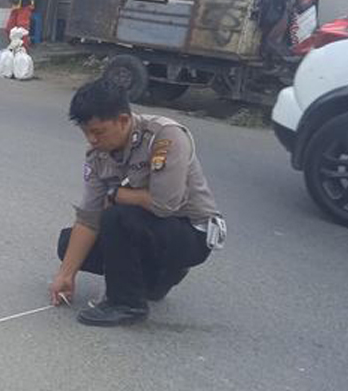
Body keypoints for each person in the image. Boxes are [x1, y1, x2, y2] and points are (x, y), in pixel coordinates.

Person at [50, 79, 226, 326]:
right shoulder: (97, 156)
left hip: (189, 233)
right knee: (68, 243)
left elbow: (165, 204)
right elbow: (89, 218)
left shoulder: (165, 137)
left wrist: (116, 195)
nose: (92, 140)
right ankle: (155, 278)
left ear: (123, 120)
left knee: (117, 217)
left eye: (98, 132)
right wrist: (65, 275)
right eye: (86, 132)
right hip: (148, 228)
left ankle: (126, 304)